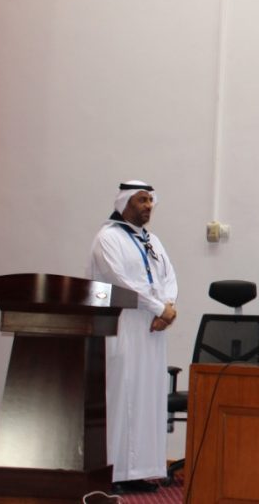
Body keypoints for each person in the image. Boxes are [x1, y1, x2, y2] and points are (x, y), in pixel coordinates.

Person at [87, 181, 178, 493]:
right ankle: (113, 472)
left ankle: (137, 470)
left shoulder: (153, 240)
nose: (148, 206)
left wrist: (168, 308)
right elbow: (120, 282)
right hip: (122, 325)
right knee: (121, 395)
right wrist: (159, 308)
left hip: (152, 329)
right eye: (142, 200)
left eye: (151, 200)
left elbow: (169, 277)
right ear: (124, 202)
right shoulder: (108, 238)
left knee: (146, 398)